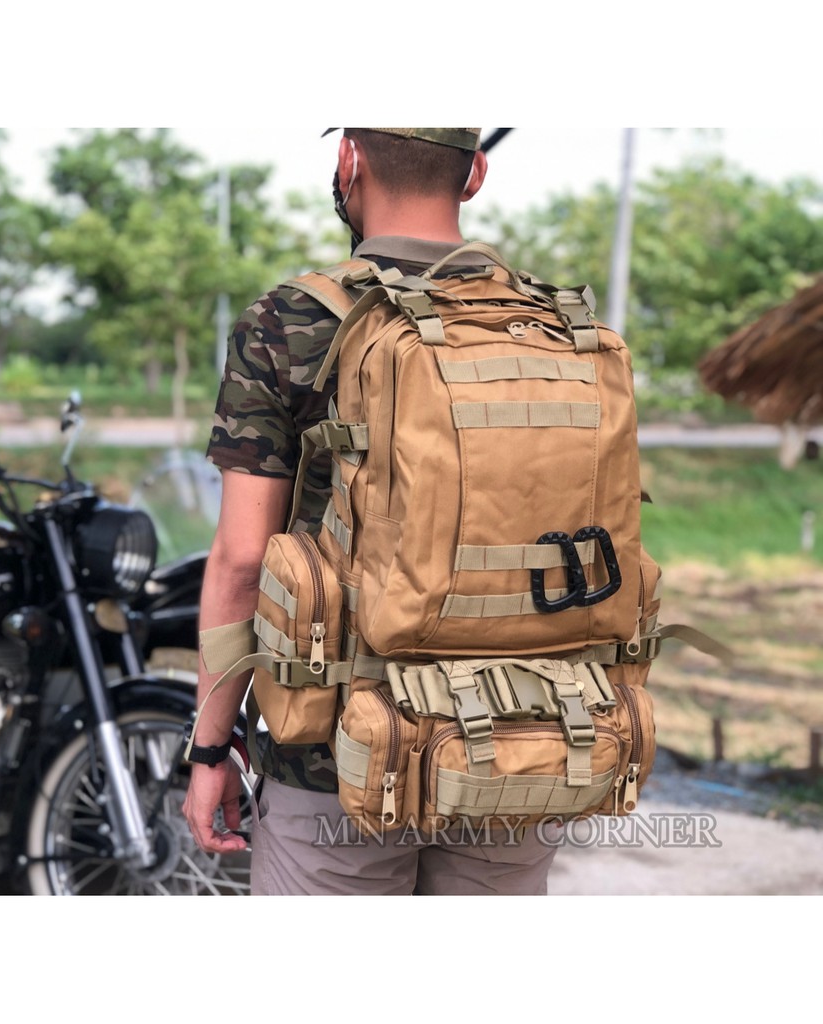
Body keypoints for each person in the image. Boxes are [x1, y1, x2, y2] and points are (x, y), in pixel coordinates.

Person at [182, 128, 558, 895]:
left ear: (348, 160)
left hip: (339, 756)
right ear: (475, 174)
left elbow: (244, 561)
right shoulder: (551, 325)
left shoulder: (289, 320)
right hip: (522, 735)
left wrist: (210, 749)